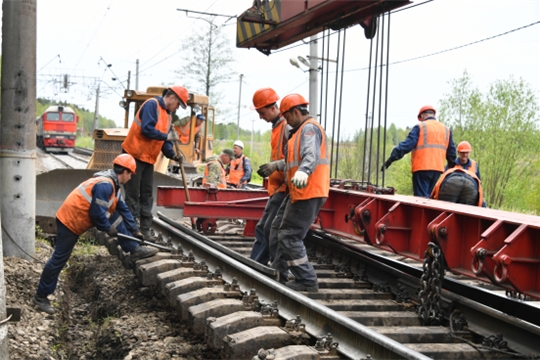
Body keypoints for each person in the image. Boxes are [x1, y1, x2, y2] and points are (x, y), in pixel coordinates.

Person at [33, 154, 158, 314]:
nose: (131, 177)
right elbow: (97, 213)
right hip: (70, 222)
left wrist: (135, 230)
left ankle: (134, 249)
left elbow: (123, 209)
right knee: (59, 259)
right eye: (131, 174)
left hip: (75, 219)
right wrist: (107, 228)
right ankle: (40, 297)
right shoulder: (105, 185)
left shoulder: (114, 186)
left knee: (115, 216)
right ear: (125, 172)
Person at [258, 93, 330, 292]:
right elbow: (292, 162)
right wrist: (276, 166)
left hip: (309, 191)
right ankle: (279, 273)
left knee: (289, 236)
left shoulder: (309, 129)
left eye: (287, 116)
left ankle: (306, 280)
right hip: (297, 191)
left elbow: (310, 155)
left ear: (296, 112)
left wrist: (304, 171)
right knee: (275, 230)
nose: (285, 121)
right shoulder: (297, 132)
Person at [122, 86, 187, 240]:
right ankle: (130, 231)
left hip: (147, 159)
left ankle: (144, 230)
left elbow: (165, 142)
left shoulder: (168, 116)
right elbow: (147, 129)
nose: (178, 108)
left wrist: (173, 155)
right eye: (178, 104)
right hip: (133, 156)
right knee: (133, 195)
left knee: (147, 195)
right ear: (171, 97)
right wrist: (166, 138)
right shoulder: (152, 105)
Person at [249, 87, 289, 265]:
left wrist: (276, 167)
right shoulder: (277, 127)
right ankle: (256, 264)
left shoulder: (286, 128)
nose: (260, 117)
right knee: (263, 228)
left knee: (268, 229)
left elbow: (294, 160)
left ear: (273, 108)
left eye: (262, 112)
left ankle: (263, 265)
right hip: (276, 187)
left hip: (284, 187)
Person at [381, 105, 456, 197]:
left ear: (422, 116)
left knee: (421, 199)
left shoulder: (420, 127)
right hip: (437, 169)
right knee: (429, 197)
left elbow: (406, 146)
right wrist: (452, 170)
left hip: (422, 168)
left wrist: (391, 159)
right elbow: (451, 153)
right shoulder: (446, 130)